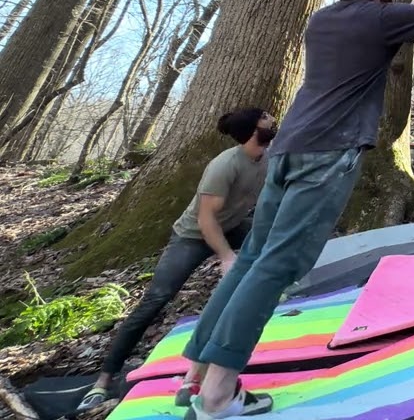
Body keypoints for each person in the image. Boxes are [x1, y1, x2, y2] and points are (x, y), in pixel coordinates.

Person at [179, 0, 414, 419]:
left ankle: (195, 370)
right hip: (328, 154)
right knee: (277, 268)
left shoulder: (324, 20)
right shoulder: (382, 20)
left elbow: (404, 16)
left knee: (252, 258)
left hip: (288, 148)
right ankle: (218, 393)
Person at [75, 108, 276, 412]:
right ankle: (102, 382)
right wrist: (225, 257)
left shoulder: (266, 156)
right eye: (266, 118)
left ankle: (197, 374)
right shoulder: (224, 165)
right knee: (156, 299)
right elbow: (205, 219)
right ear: (252, 131)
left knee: (263, 261)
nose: (273, 120)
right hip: (193, 235)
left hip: (234, 226)